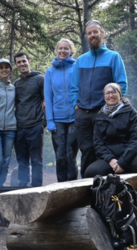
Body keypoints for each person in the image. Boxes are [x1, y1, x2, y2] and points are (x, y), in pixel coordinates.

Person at [84, 83, 137, 230]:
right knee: (90, 172)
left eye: (114, 92)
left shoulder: (131, 112)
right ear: (104, 97)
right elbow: (98, 143)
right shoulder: (100, 116)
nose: (110, 96)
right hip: (111, 157)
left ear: (120, 95)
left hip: (133, 153)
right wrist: (111, 159)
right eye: (107, 93)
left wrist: (123, 161)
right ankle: (101, 211)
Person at [70, 19, 128, 178]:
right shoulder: (81, 60)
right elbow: (73, 86)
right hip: (82, 113)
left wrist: (111, 107)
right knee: (86, 150)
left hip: (103, 112)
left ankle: (106, 188)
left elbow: (121, 84)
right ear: (87, 37)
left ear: (102, 33)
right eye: (89, 33)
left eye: (95, 32)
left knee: (104, 149)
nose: (92, 35)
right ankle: (87, 188)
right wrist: (75, 105)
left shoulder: (113, 57)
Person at [44, 38, 78, 182]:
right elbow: (48, 97)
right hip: (57, 120)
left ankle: (73, 187)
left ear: (71, 51)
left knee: (71, 155)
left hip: (74, 119)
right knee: (60, 156)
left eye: (66, 48)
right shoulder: (50, 72)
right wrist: (50, 121)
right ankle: (61, 187)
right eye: (60, 48)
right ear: (57, 50)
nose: (63, 51)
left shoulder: (77, 67)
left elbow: (80, 90)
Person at [14, 52, 45, 187]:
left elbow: (47, 101)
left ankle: (37, 186)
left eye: (24, 61)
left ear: (29, 61)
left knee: (36, 160)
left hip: (36, 125)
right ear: (16, 65)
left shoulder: (40, 79)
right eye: (19, 62)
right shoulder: (16, 83)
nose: (22, 64)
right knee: (22, 160)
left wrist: (44, 123)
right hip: (20, 127)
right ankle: (23, 184)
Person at [0, 58, 17, 187]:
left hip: (11, 128)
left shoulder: (13, 87)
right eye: (1, 68)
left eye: (7, 67)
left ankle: (0, 185)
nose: (4, 69)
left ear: (10, 70)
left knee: (6, 160)